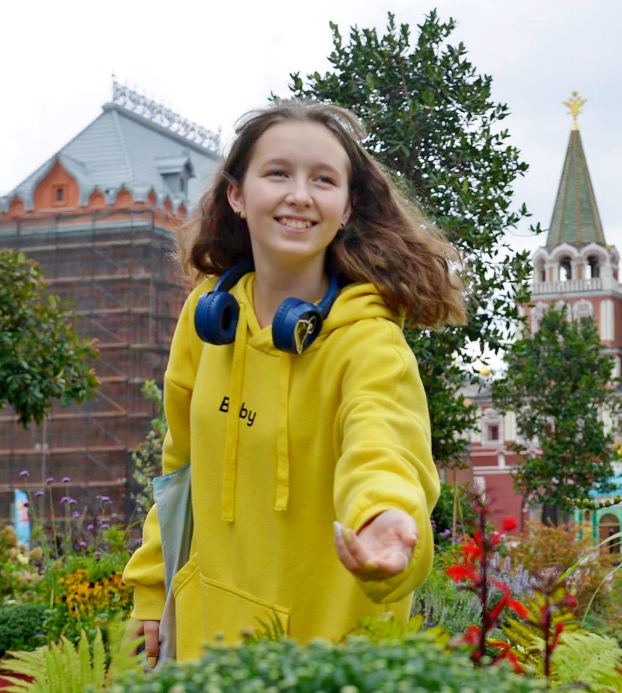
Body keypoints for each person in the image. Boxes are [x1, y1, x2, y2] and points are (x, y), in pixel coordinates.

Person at [122, 100, 466, 662]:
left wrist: (384, 514)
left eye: (323, 180)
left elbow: (384, 444)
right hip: (204, 645)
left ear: (347, 207)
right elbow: (179, 470)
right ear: (236, 194)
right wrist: (151, 587)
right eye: (278, 172)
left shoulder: (368, 341)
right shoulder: (205, 318)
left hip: (326, 653)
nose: (300, 195)